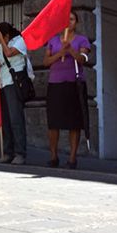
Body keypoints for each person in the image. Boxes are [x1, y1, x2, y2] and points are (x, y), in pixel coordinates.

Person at [43, 11, 91, 169]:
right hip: (55, 83)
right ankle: (53, 156)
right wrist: (60, 54)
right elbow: (45, 62)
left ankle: (72, 158)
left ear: (76, 22)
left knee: (74, 123)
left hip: (74, 84)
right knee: (53, 122)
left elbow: (83, 60)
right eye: (65, 19)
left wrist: (70, 50)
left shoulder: (82, 40)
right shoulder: (53, 40)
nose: (68, 22)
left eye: (71, 19)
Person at [0, 22, 32, 165]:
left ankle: (20, 153)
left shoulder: (19, 41)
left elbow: (9, 53)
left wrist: (2, 41)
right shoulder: (0, 46)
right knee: (6, 120)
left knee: (16, 119)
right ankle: (8, 152)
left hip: (14, 84)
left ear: (6, 35)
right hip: (3, 84)